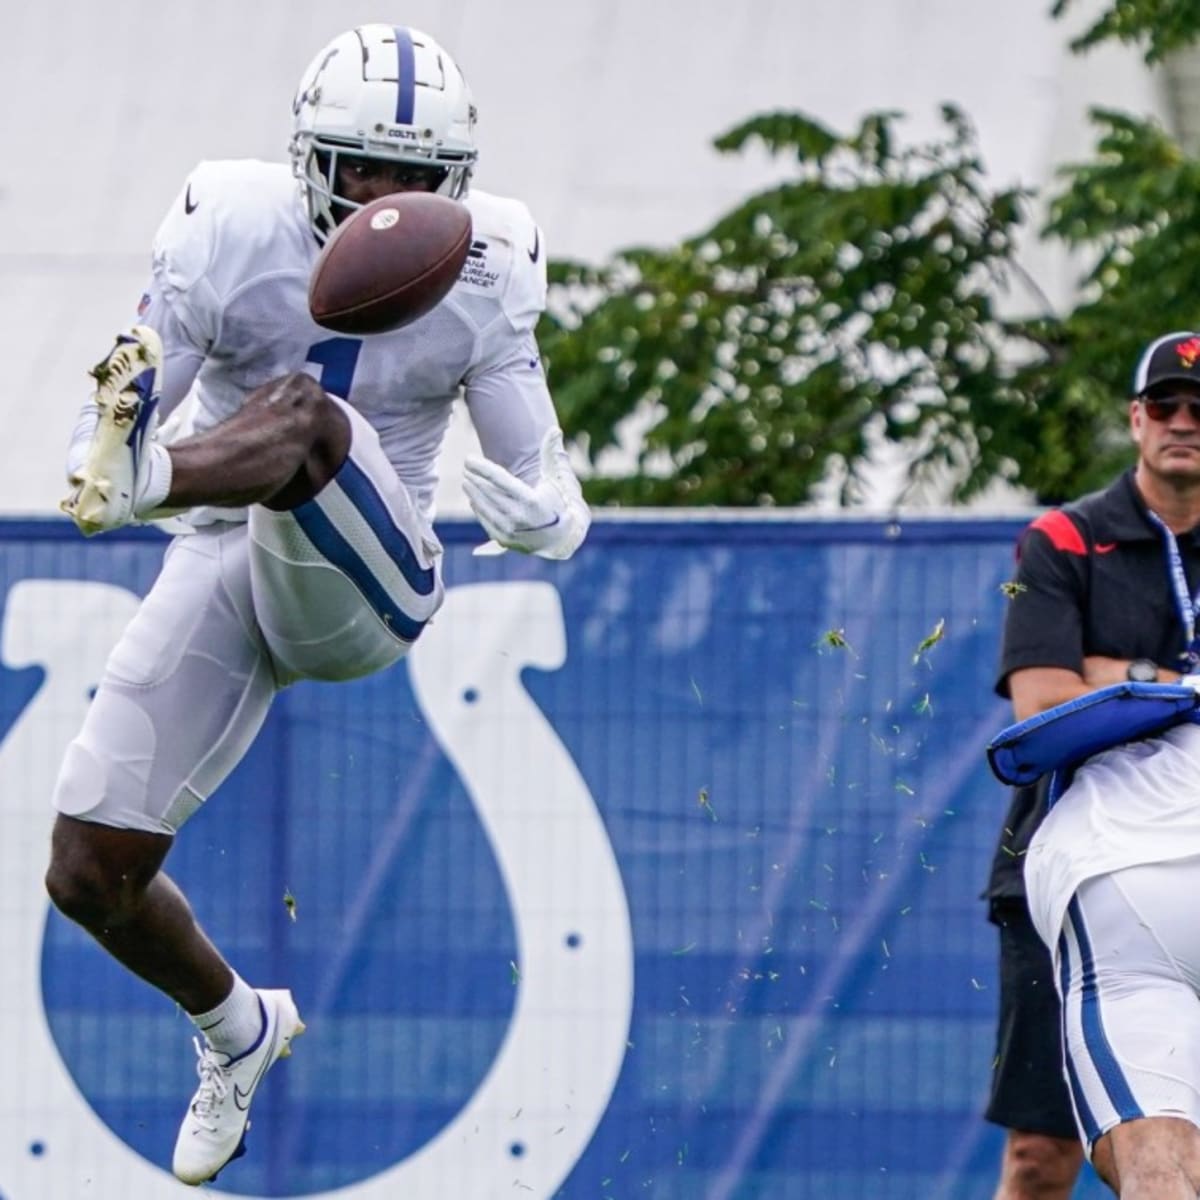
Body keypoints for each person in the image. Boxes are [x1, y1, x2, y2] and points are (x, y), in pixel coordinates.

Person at [44, 23, 590, 1188]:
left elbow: (552, 490)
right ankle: (237, 1029)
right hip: (224, 552)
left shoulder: (489, 265)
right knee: (87, 873)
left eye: (414, 180)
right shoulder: (227, 226)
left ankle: (160, 492)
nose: (386, 202)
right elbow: (140, 387)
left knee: (306, 421)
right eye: (361, 171)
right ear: (305, 159)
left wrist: (545, 518)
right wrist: (125, 423)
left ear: (460, 184)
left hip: (373, 576)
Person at [989, 329, 1200, 1198]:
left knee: (1170, 1144)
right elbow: (1043, 702)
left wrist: (1115, 676)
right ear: (1135, 418)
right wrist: (1178, 682)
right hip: (1084, 852)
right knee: (1045, 1154)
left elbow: (1081, 683)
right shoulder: (1066, 537)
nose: (1183, 422)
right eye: (1166, 405)